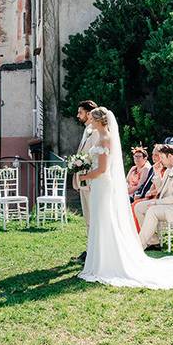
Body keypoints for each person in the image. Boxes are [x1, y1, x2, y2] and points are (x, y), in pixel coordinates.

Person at [75, 108, 173, 289]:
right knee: (99, 221)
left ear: (100, 120)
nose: (89, 120)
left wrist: (83, 176)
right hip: (99, 184)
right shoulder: (99, 136)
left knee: (103, 220)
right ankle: (99, 259)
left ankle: (107, 260)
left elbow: (102, 169)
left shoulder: (105, 138)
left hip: (101, 183)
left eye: (92, 118)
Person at [73, 100, 100, 262]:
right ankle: (90, 249)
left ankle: (93, 251)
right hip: (84, 180)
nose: (78, 115)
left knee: (92, 217)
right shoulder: (87, 130)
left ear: (89, 114)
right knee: (88, 217)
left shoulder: (96, 132)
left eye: (80, 112)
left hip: (91, 180)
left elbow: (96, 157)